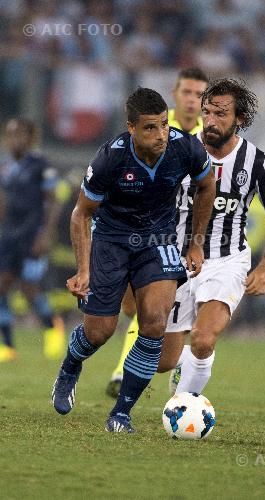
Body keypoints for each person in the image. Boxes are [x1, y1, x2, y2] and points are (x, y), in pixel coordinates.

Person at [51, 87, 216, 433]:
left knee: (154, 323)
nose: (160, 136)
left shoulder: (185, 147)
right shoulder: (109, 159)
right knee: (100, 331)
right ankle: (70, 366)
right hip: (111, 241)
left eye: (162, 125)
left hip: (158, 241)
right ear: (131, 128)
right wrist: (83, 270)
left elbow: (207, 185)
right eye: (149, 128)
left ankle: (121, 413)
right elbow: (81, 214)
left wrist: (196, 244)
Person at [157, 78, 265, 396]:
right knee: (164, 360)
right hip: (179, 259)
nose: (211, 121)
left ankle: (185, 403)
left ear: (239, 119)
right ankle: (183, 367)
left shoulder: (257, 162)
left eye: (220, 114)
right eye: (207, 113)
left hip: (227, 260)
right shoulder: (181, 150)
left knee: (203, 339)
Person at [106, 68, 209, 397]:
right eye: (187, 93)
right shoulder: (158, 130)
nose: (193, 101)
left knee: (189, 311)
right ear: (176, 95)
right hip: (152, 231)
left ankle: (131, 371)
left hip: (196, 237)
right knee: (134, 307)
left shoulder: (212, 135)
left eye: (199, 95)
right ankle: (152, 363)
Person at [0, 118, 65, 363]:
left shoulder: (41, 165)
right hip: (9, 235)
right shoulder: (5, 166)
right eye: (10, 134)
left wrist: (45, 234)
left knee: (29, 289)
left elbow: (53, 201)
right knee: (2, 287)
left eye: (19, 134)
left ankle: (52, 326)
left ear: (30, 138)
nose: (13, 139)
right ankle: (7, 345)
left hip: (32, 234)